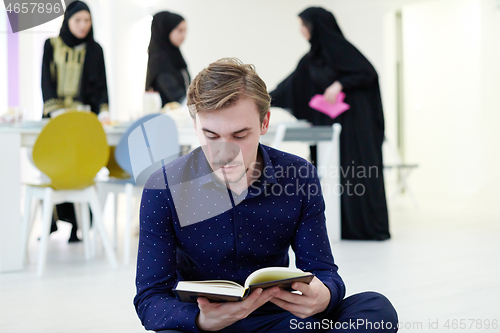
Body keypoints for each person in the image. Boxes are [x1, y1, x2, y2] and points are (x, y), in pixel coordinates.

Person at [134, 58, 398, 332]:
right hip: (204, 324)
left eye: (239, 135)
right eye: (211, 136)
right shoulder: (163, 187)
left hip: (279, 321)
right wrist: (202, 320)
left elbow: (324, 272)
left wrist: (324, 297)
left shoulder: (298, 175)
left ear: (264, 123)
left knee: (375, 309)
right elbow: (150, 299)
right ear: (195, 125)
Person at [270, 7, 390, 241]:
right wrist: (259, 100)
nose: (301, 31)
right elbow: (289, 87)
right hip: (328, 128)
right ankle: (341, 226)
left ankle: (365, 228)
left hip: (355, 128)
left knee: (356, 172)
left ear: (317, 27)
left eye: (304, 25)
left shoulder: (342, 51)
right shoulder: (311, 59)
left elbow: (368, 74)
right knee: (336, 174)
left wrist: (340, 84)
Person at [41, 1, 109, 242]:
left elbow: (102, 86)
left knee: (82, 170)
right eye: (78, 20)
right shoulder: (51, 45)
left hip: (83, 121)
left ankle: (77, 226)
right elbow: (46, 82)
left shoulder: (95, 49)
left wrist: (103, 112)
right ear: (67, 20)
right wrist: (56, 112)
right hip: (56, 120)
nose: (83, 26)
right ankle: (50, 223)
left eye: (87, 21)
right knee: (54, 169)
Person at [145, 11, 190, 108]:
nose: (184, 36)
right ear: (166, 30)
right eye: (180, 31)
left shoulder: (175, 55)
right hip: (167, 117)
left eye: (185, 31)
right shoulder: (159, 59)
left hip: (182, 111)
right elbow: (172, 91)